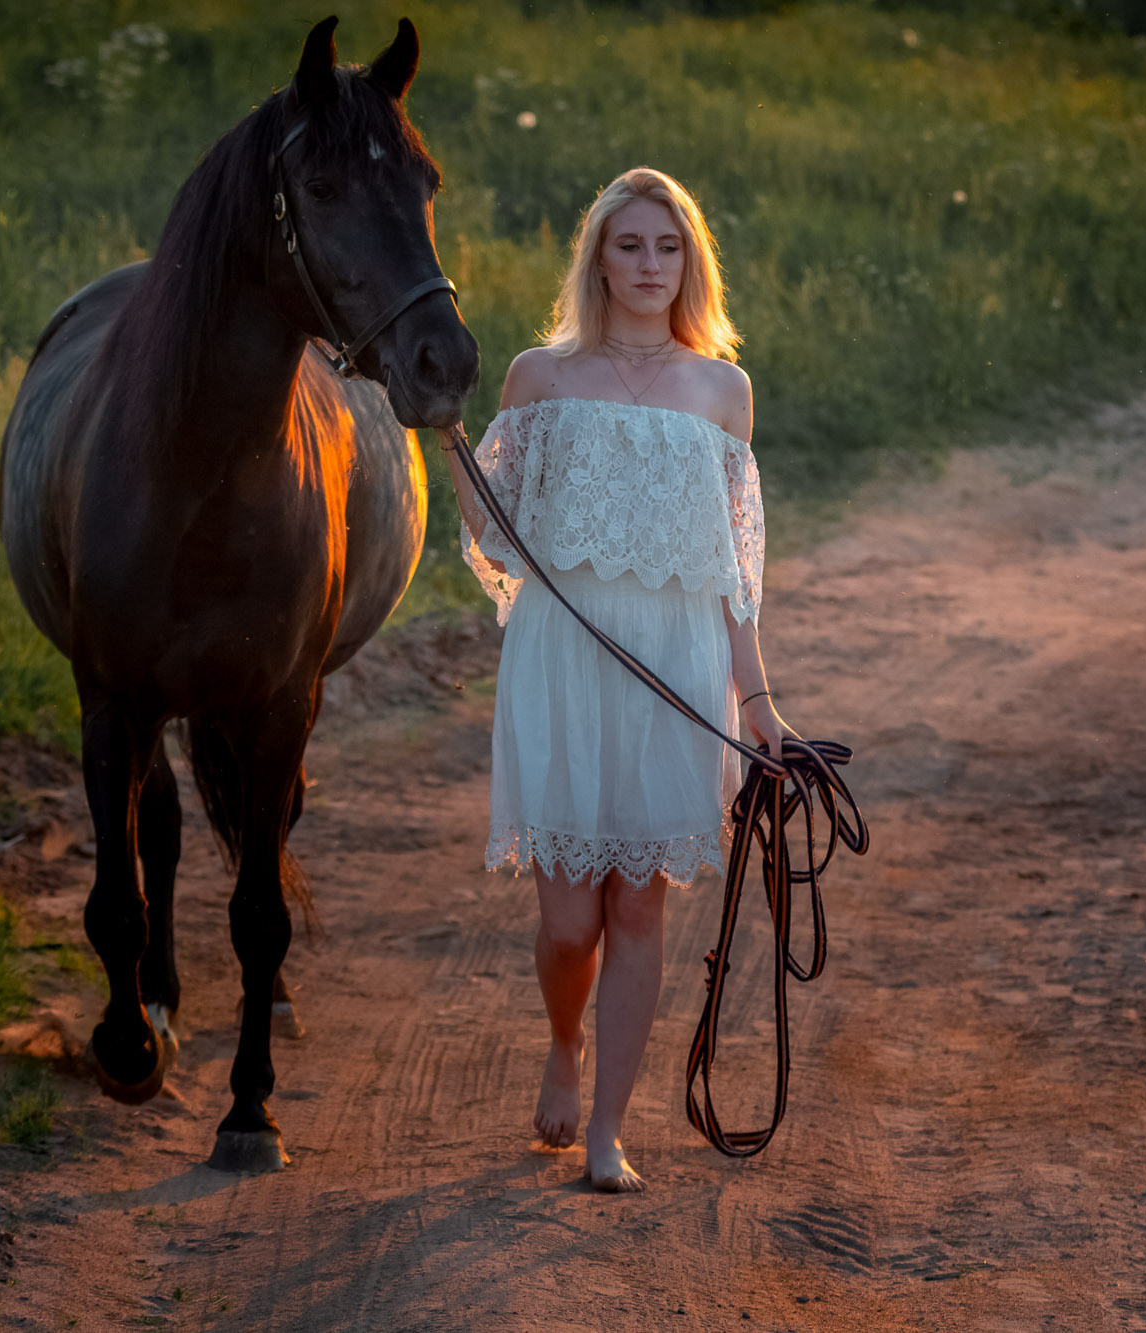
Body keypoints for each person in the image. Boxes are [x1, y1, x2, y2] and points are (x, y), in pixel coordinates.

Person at [441, 167, 795, 1192]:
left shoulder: (721, 391)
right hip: (560, 656)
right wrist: (442, 434)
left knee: (634, 908)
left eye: (667, 248)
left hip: (675, 665)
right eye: (629, 245)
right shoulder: (538, 378)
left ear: (690, 263)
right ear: (595, 256)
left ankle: (607, 1130)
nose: (648, 265)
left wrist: (759, 703)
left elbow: (736, 575)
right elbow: (493, 532)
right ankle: (565, 1040)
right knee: (567, 920)